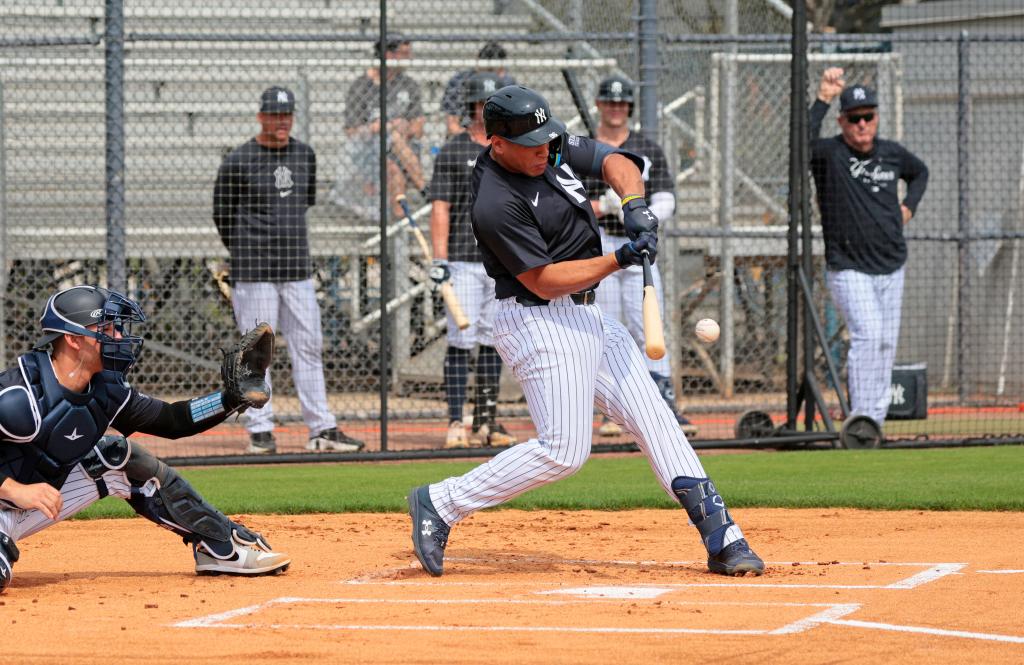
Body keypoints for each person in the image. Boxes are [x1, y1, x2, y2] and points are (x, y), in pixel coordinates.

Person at [406, 85, 764, 578]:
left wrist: (634, 204)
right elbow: (545, 280)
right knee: (564, 452)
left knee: (655, 420)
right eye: (530, 144)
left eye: (546, 140)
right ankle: (441, 501)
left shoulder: (547, 146)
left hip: (588, 317)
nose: (543, 151)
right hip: (538, 321)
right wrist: (618, 258)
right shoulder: (494, 201)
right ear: (497, 144)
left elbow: (615, 160)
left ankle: (722, 535)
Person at [0, 285, 291, 592]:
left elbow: (173, 420)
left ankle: (219, 545)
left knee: (116, 457)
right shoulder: (18, 396)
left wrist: (229, 399)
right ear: (72, 339)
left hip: (30, 505)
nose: (118, 338)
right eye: (107, 329)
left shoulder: (105, 390)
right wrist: (16, 490)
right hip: (10, 500)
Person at [213, 85, 364, 455]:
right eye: (274, 115)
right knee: (256, 352)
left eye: (287, 115)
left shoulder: (304, 155)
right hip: (255, 270)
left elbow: (305, 201)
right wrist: (244, 251)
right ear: (261, 116)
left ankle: (321, 428)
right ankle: (260, 430)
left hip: (296, 267)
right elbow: (222, 214)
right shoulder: (240, 160)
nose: (281, 121)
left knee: (309, 345)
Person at [810, 68, 929, 430]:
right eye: (855, 118)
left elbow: (920, 173)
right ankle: (861, 415)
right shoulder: (830, 154)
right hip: (849, 266)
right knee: (869, 335)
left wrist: (909, 207)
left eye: (868, 117)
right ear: (843, 121)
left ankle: (873, 421)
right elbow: (800, 143)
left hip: (892, 263)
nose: (862, 124)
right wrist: (824, 98)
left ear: (876, 118)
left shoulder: (891, 153)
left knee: (885, 344)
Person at [581, 74, 697, 439]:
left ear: (629, 107)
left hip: (639, 244)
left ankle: (661, 399)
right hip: (599, 246)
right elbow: (570, 202)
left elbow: (667, 198)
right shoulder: (583, 150)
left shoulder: (646, 147)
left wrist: (636, 211)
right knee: (605, 328)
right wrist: (604, 204)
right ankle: (612, 409)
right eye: (609, 102)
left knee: (648, 324)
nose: (616, 109)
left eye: (622, 103)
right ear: (599, 105)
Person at [428, 72, 516, 449]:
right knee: (461, 339)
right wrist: (439, 258)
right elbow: (440, 207)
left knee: (493, 340)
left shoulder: (508, 148)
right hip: (463, 260)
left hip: (499, 261)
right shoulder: (453, 150)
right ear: (470, 108)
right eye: (480, 106)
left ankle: (486, 420)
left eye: (490, 106)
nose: (484, 112)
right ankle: (455, 422)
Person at [336, 34, 425, 221]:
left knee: (394, 167)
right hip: (368, 149)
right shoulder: (361, 86)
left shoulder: (408, 85)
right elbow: (351, 131)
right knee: (391, 142)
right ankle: (425, 190)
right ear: (388, 55)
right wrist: (379, 127)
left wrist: (403, 127)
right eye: (403, 53)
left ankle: (397, 224)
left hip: (401, 152)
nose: (408, 58)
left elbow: (418, 129)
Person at [440, 41, 515, 136]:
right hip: (467, 137)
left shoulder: (508, 83)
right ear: (478, 63)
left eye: (497, 71)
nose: (491, 76)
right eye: (488, 70)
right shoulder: (460, 81)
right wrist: (475, 140)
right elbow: (452, 125)